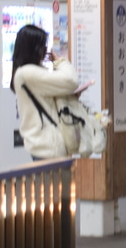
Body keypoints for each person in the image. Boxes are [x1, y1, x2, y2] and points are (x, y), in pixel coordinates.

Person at [10, 24, 82, 160]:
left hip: (45, 145)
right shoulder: (28, 73)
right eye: (43, 46)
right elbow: (71, 80)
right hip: (47, 147)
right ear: (34, 49)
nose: (45, 50)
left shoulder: (26, 72)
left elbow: (47, 101)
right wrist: (60, 61)